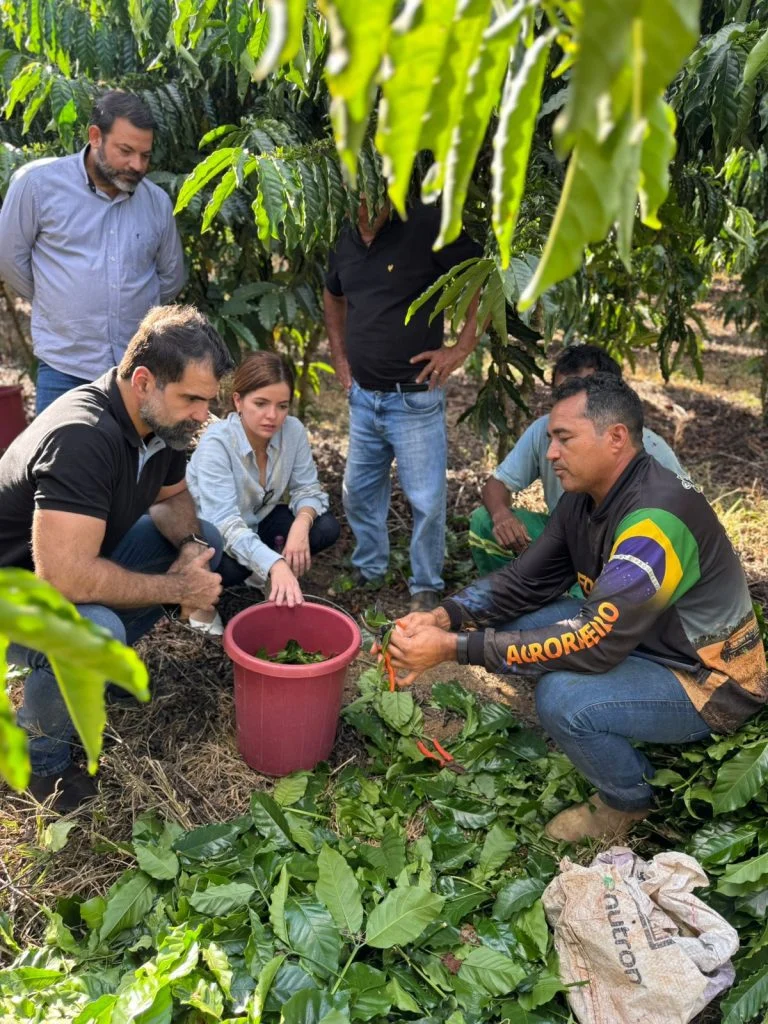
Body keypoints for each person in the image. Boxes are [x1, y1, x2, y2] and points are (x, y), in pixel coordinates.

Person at [386, 374, 768, 842]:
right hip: (648, 641)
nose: (550, 453)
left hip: (707, 679)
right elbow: (524, 580)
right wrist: (444, 616)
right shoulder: (585, 500)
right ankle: (602, 723)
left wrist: (451, 648)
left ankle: (629, 803)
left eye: (563, 438)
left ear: (616, 439)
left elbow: (595, 642)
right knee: (524, 622)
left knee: (563, 700)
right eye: (550, 439)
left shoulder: (655, 521)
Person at [0, 305, 233, 812]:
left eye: (207, 400)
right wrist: (178, 590)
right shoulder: (82, 437)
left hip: (65, 568)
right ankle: (39, 762)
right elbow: (64, 579)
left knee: (205, 537)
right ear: (144, 381)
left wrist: (192, 551)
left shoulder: (162, 424)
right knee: (94, 628)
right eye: (192, 398)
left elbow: (172, 500)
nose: (202, 414)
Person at [324, 197, 482, 612]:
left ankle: (425, 584)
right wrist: (340, 357)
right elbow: (333, 293)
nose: (364, 207)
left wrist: (462, 347)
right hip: (363, 397)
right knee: (357, 492)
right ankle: (370, 565)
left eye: (373, 196)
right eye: (355, 195)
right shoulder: (342, 235)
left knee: (426, 501)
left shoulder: (425, 223)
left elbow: (479, 276)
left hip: (414, 400)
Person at [0, 90, 186, 413]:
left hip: (135, 374)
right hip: (64, 370)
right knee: (60, 463)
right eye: (126, 151)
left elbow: (170, 277)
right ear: (95, 137)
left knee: (131, 464)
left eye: (145, 155)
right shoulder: (37, 187)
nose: (137, 165)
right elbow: (9, 259)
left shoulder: (156, 203)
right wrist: (53, 298)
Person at [470, 344, 687, 575]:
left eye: (578, 393)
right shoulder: (544, 431)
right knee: (485, 521)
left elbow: (680, 526)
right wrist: (502, 515)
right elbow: (497, 484)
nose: (552, 454)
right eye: (561, 394)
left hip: (624, 556)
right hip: (567, 541)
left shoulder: (652, 451)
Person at [186, 351, 340, 628]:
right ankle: (200, 608)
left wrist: (301, 525)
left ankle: (265, 576)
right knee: (228, 566)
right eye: (260, 403)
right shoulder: (217, 444)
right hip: (207, 536)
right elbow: (224, 524)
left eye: (282, 406)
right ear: (238, 401)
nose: (272, 416)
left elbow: (308, 488)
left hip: (253, 521)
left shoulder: (292, 431)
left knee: (324, 527)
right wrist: (275, 564)